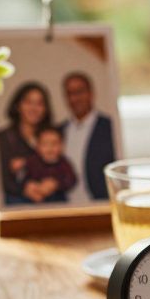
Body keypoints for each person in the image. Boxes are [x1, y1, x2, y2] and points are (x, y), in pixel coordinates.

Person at [59, 71, 116, 204]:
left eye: (79, 92)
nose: (74, 99)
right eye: (69, 94)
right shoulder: (59, 131)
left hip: (99, 204)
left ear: (91, 93)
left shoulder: (109, 127)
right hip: (65, 207)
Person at [0, 81, 53, 205]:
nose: (34, 108)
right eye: (28, 102)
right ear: (18, 105)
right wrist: (24, 189)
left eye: (39, 103)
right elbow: (1, 178)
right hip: (16, 202)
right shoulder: (4, 138)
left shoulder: (52, 136)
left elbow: (63, 169)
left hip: (49, 202)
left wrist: (53, 183)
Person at [21, 126, 78, 204]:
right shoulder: (32, 162)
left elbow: (72, 180)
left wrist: (56, 184)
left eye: (54, 143)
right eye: (45, 144)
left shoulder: (64, 163)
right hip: (34, 202)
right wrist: (31, 186)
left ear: (62, 146)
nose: (50, 148)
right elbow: (23, 179)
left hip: (58, 201)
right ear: (37, 146)